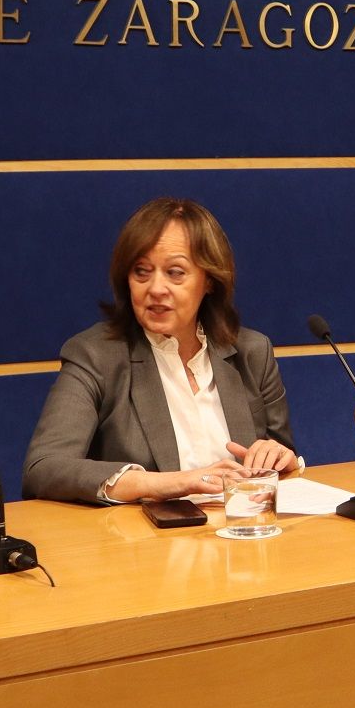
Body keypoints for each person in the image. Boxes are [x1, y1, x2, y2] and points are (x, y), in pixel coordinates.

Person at [22, 197, 299, 504]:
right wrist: (167, 483)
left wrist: (280, 459)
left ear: (209, 280)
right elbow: (44, 468)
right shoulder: (95, 355)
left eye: (175, 272)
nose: (155, 288)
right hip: (146, 543)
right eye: (141, 272)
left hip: (243, 534)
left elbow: (281, 464)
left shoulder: (252, 352)